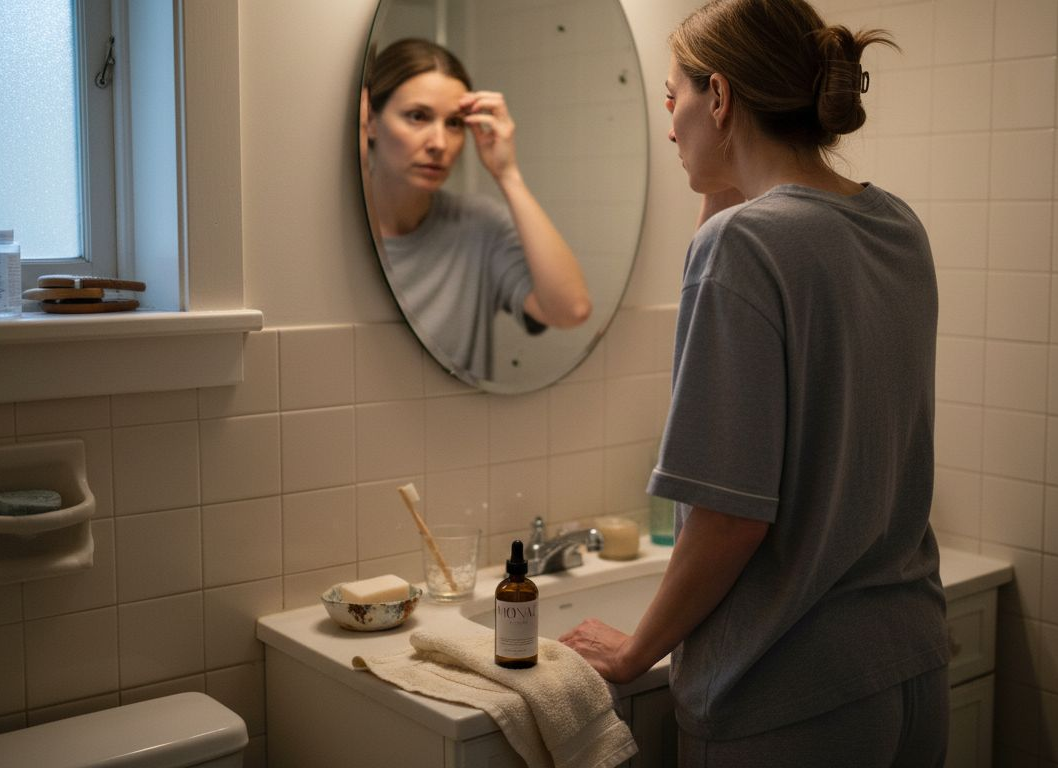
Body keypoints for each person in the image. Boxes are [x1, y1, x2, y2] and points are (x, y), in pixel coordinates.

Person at [558, 1, 948, 765]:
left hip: (792, 696)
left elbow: (730, 518)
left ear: (721, 97)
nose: (670, 128)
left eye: (672, 98)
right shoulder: (895, 224)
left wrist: (636, 651)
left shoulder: (744, 245)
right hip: (910, 668)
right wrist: (724, 181)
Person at [362, 38, 591, 382]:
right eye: (417, 116)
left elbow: (571, 309)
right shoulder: (341, 231)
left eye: (454, 123)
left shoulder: (479, 225)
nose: (439, 143)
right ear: (370, 120)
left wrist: (508, 174)